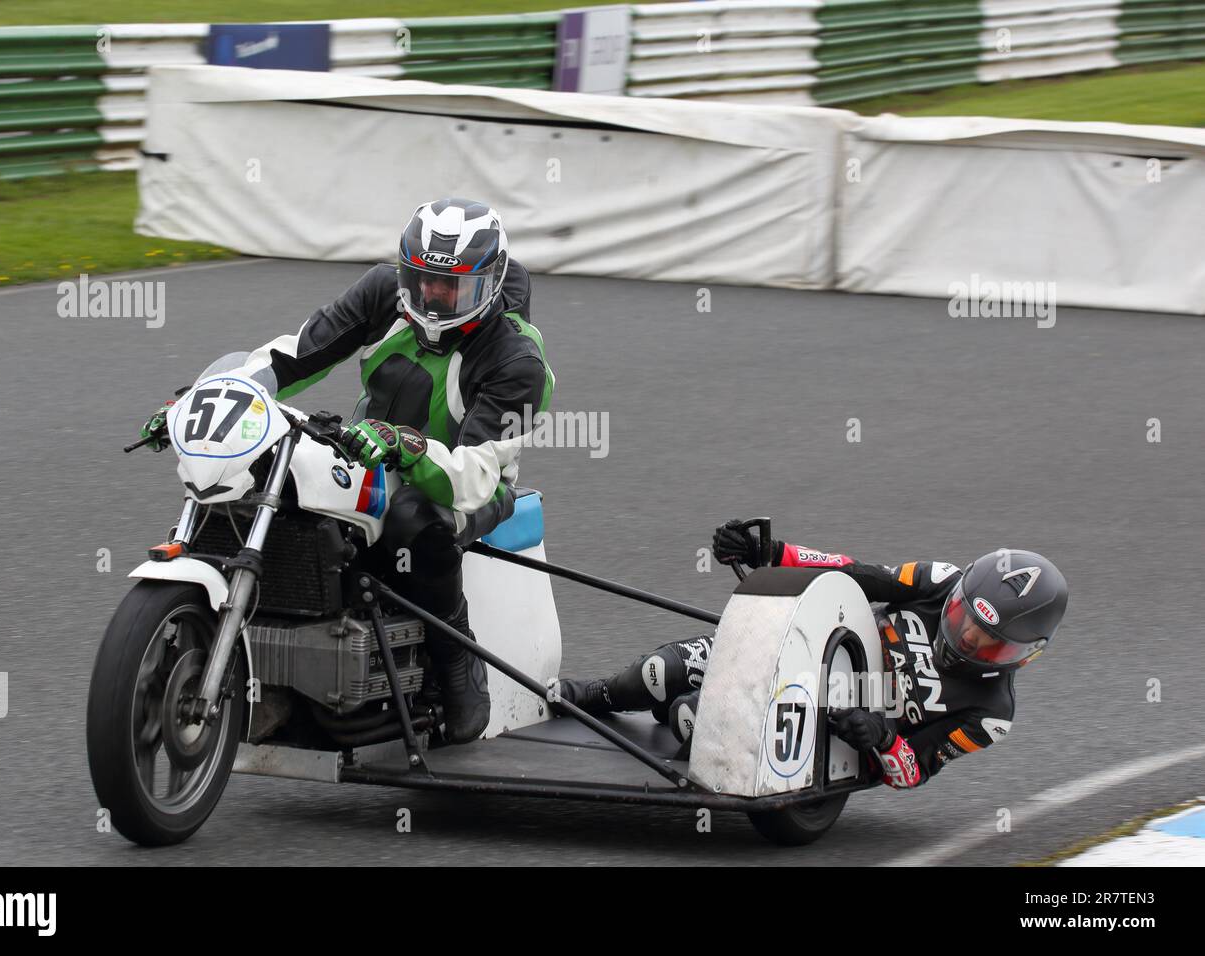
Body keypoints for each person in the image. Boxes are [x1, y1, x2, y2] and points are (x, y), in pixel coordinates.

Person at [141, 198, 555, 743]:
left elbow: (473, 475)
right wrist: (207, 398)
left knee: (414, 517)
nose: (431, 297)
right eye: (423, 279)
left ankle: (458, 664)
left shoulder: (517, 361)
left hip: (462, 482)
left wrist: (405, 447)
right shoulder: (387, 293)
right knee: (272, 477)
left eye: (451, 286)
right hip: (366, 450)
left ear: (490, 284)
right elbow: (296, 353)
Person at [560, 520, 1067, 789]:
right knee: (657, 674)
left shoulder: (991, 715)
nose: (967, 640)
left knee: (690, 717)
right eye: (963, 621)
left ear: (1024, 655)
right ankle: (598, 694)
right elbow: (858, 573)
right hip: (814, 648)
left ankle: (696, 728)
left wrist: (886, 738)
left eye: (987, 641)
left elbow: (915, 771)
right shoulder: (941, 580)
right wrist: (773, 553)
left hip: (838, 728)